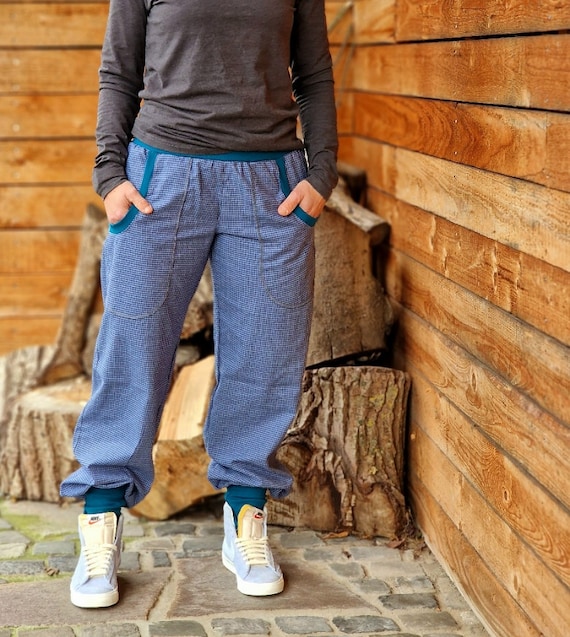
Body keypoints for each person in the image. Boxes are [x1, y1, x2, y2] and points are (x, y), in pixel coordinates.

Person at [60, 0, 338, 608]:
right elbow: (119, 70)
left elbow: (313, 73)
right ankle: (101, 520)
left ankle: (245, 519)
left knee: (265, 353)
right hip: (160, 179)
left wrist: (320, 174)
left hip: (269, 183)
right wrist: (110, 173)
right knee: (132, 347)